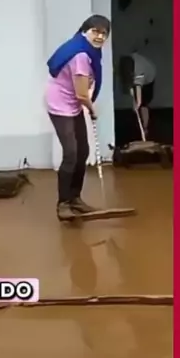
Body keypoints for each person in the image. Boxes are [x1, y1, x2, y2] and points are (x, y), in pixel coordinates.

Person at [45, 14, 111, 221]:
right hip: (59, 104)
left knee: (83, 151)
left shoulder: (89, 49)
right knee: (71, 153)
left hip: (72, 103)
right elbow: (82, 94)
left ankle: (75, 199)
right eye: (95, 31)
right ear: (85, 31)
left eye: (104, 33)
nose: (100, 37)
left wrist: (86, 105)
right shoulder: (81, 55)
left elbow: (80, 93)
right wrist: (92, 110)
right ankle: (63, 204)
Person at [118, 52, 156, 137]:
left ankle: (145, 128)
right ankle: (137, 124)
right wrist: (132, 95)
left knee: (143, 104)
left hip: (148, 79)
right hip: (136, 73)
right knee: (136, 102)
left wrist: (137, 104)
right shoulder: (124, 65)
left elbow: (138, 92)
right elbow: (129, 84)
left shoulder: (139, 70)